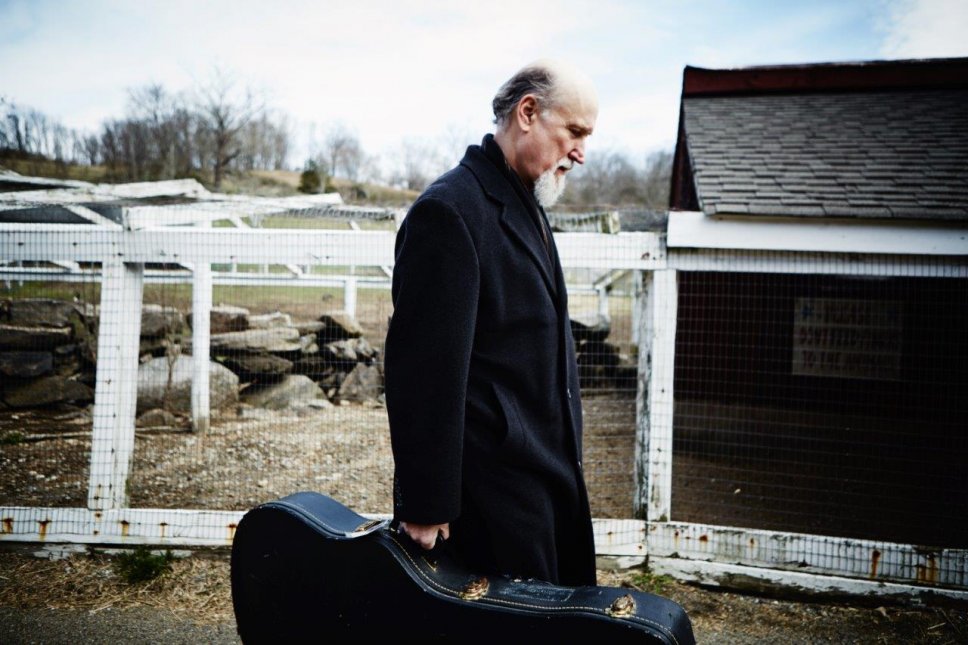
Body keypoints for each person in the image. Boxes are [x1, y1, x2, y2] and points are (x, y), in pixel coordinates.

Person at [384, 59, 599, 586]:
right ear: (527, 113)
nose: (581, 153)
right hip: (491, 500)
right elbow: (423, 371)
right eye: (574, 132)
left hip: (545, 483)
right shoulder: (451, 210)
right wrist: (426, 503)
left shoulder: (527, 200)